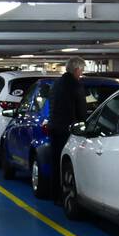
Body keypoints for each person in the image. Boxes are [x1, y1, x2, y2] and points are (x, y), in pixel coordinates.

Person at [46, 57, 86, 203]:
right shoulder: (76, 86)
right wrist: (84, 125)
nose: (81, 74)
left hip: (54, 128)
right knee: (68, 166)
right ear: (76, 70)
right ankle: (66, 197)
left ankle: (55, 195)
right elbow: (81, 111)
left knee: (56, 163)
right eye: (81, 71)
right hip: (68, 131)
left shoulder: (56, 84)